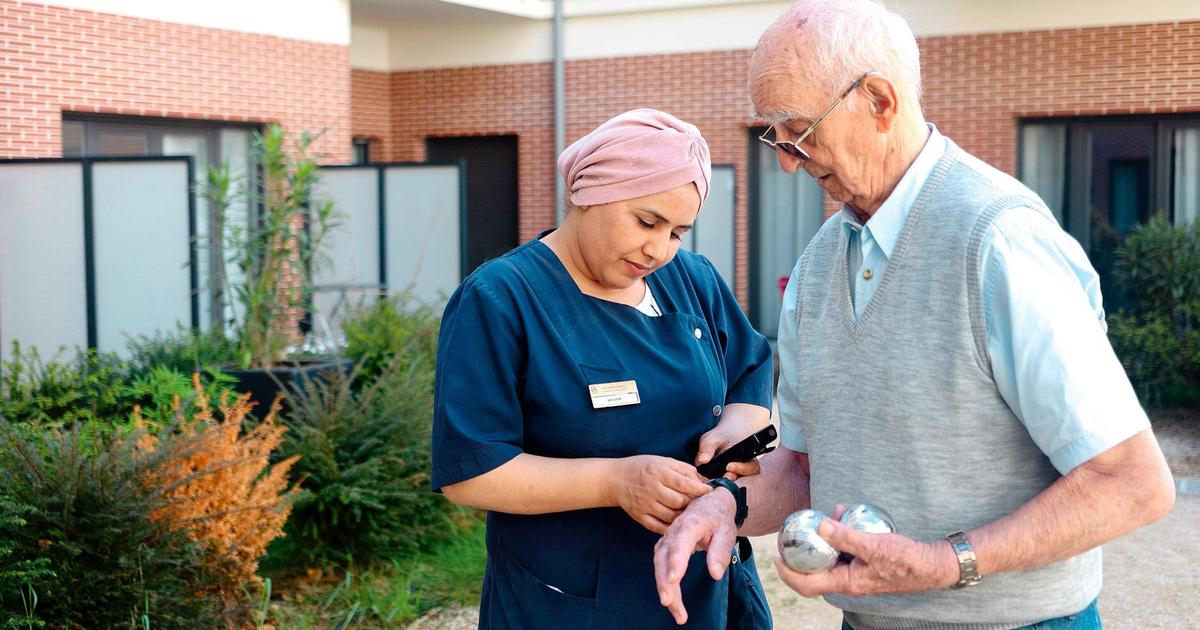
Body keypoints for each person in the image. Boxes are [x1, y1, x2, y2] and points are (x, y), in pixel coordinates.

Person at [653, 2, 1177, 628]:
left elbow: (1132, 483)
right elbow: (800, 466)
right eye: (776, 135)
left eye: (799, 130)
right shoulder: (819, 266)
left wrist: (944, 562)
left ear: (879, 100)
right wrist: (724, 505)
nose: (787, 160)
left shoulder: (998, 241)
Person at [432, 108, 775, 628]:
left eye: (678, 232)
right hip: (571, 601)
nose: (658, 250)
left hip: (706, 584)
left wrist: (734, 429)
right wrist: (614, 481)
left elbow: (750, 370)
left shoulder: (691, 278)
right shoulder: (501, 298)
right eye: (646, 221)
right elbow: (472, 472)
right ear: (586, 193)